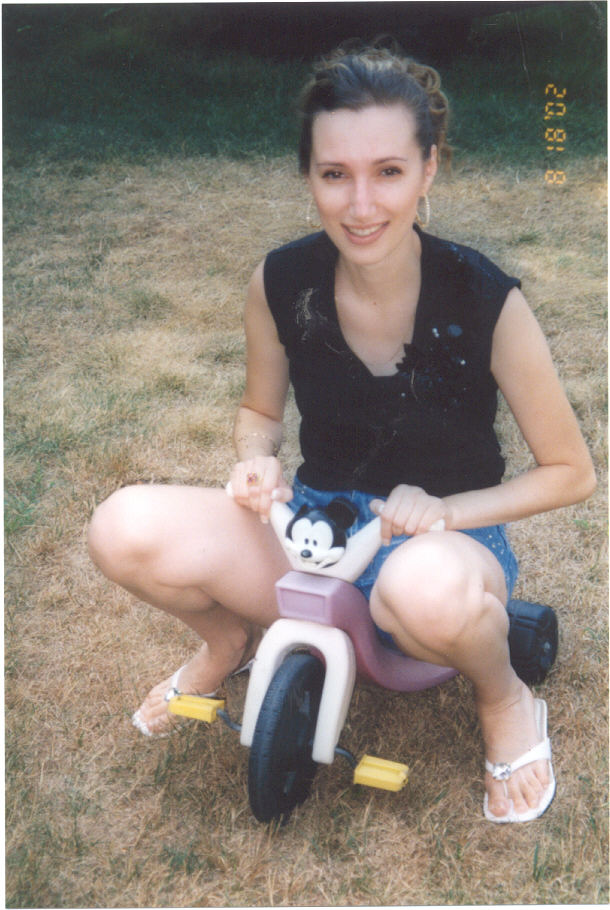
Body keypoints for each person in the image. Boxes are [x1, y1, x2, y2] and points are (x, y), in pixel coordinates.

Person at [88, 41, 596, 824]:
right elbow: (260, 415)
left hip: (444, 547)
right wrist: (255, 462)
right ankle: (227, 645)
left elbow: (571, 472)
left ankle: (505, 698)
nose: (361, 206)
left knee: (424, 590)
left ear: (429, 170)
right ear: (309, 176)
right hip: (316, 535)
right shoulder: (280, 281)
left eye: (388, 171)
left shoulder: (487, 299)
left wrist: (446, 512)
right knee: (122, 527)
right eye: (335, 174)